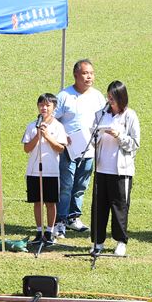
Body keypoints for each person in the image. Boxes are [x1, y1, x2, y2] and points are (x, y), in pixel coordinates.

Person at [55, 59, 107, 236]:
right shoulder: (64, 96)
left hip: (90, 148)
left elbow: (103, 118)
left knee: (81, 185)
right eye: (85, 73)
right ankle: (60, 221)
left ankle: (73, 217)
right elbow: (53, 119)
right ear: (76, 75)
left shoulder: (98, 97)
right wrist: (63, 135)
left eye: (91, 73)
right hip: (69, 149)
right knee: (66, 185)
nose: (89, 77)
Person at [90, 81, 140, 256]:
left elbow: (134, 144)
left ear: (121, 97)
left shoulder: (130, 116)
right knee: (99, 207)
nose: (110, 100)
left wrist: (119, 136)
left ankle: (120, 241)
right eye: (108, 96)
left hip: (121, 171)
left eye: (113, 97)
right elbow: (93, 139)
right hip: (101, 168)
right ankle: (98, 241)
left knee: (119, 207)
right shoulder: (100, 114)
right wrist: (97, 135)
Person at [22, 94, 67, 246]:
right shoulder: (31, 126)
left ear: (54, 108)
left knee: (50, 202)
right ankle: (39, 230)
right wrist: (38, 135)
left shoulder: (58, 127)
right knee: (37, 202)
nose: (44, 108)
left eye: (48, 105)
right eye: (41, 105)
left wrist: (47, 136)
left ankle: (49, 231)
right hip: (34, 171)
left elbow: (60, 148)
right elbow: (26, 148)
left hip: (51, 171)